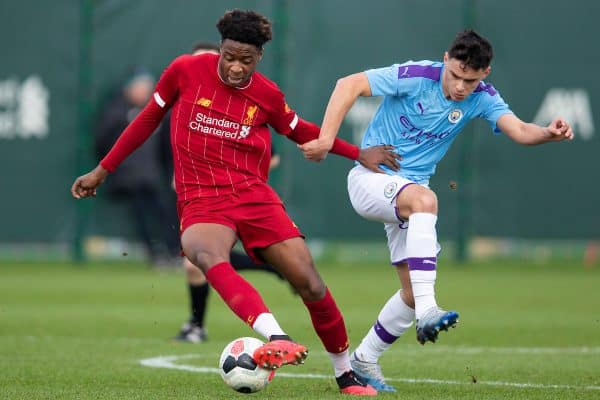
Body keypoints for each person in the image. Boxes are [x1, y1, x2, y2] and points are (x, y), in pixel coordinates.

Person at [71, 9, 399, 396]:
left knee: (309, 283)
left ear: (259, 57)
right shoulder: (185, 71)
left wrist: (356, 152)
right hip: (201, 198)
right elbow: (146, 120)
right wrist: (102, 170)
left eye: (246, 60)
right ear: (220, 49)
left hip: (253, 195)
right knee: (204, 255)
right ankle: (276, 336)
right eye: (229, 56)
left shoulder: (267, 94)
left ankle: (346, 375)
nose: (236, 67)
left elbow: (301, 131)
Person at [299, 29, 573, 392]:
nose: (460, 87)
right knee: (426, 201)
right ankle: (430, 312)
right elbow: (347, 84)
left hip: (407, 194)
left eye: (470, 80)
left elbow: (521, 130)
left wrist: (548, 133)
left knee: (411, 293)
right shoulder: (417, 76)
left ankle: (365, 359)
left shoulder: (482, 98)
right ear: (445, 59)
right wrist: (327, 139)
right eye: (456, 75)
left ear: (485, 74)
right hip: (370, 180)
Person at [172, 41, 286, 344]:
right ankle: (269, 266)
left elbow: (273, 154)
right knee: (200, 260)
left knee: (198, 261)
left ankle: (196, 326)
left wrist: (239, 175)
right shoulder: (183, 103)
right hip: (195, 197)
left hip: (235, 198)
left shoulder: (238, 107)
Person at [95, 68, 180, 266]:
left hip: (154, 177)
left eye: (146, 89)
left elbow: (167, 147)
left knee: (166, 212)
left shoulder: (157, 112)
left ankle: (173, 252)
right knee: (142, 214)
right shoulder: (117, 111)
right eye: (139, 88)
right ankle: (156, 254)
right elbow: (102, 141)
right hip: (129, 177)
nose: (143, 93)